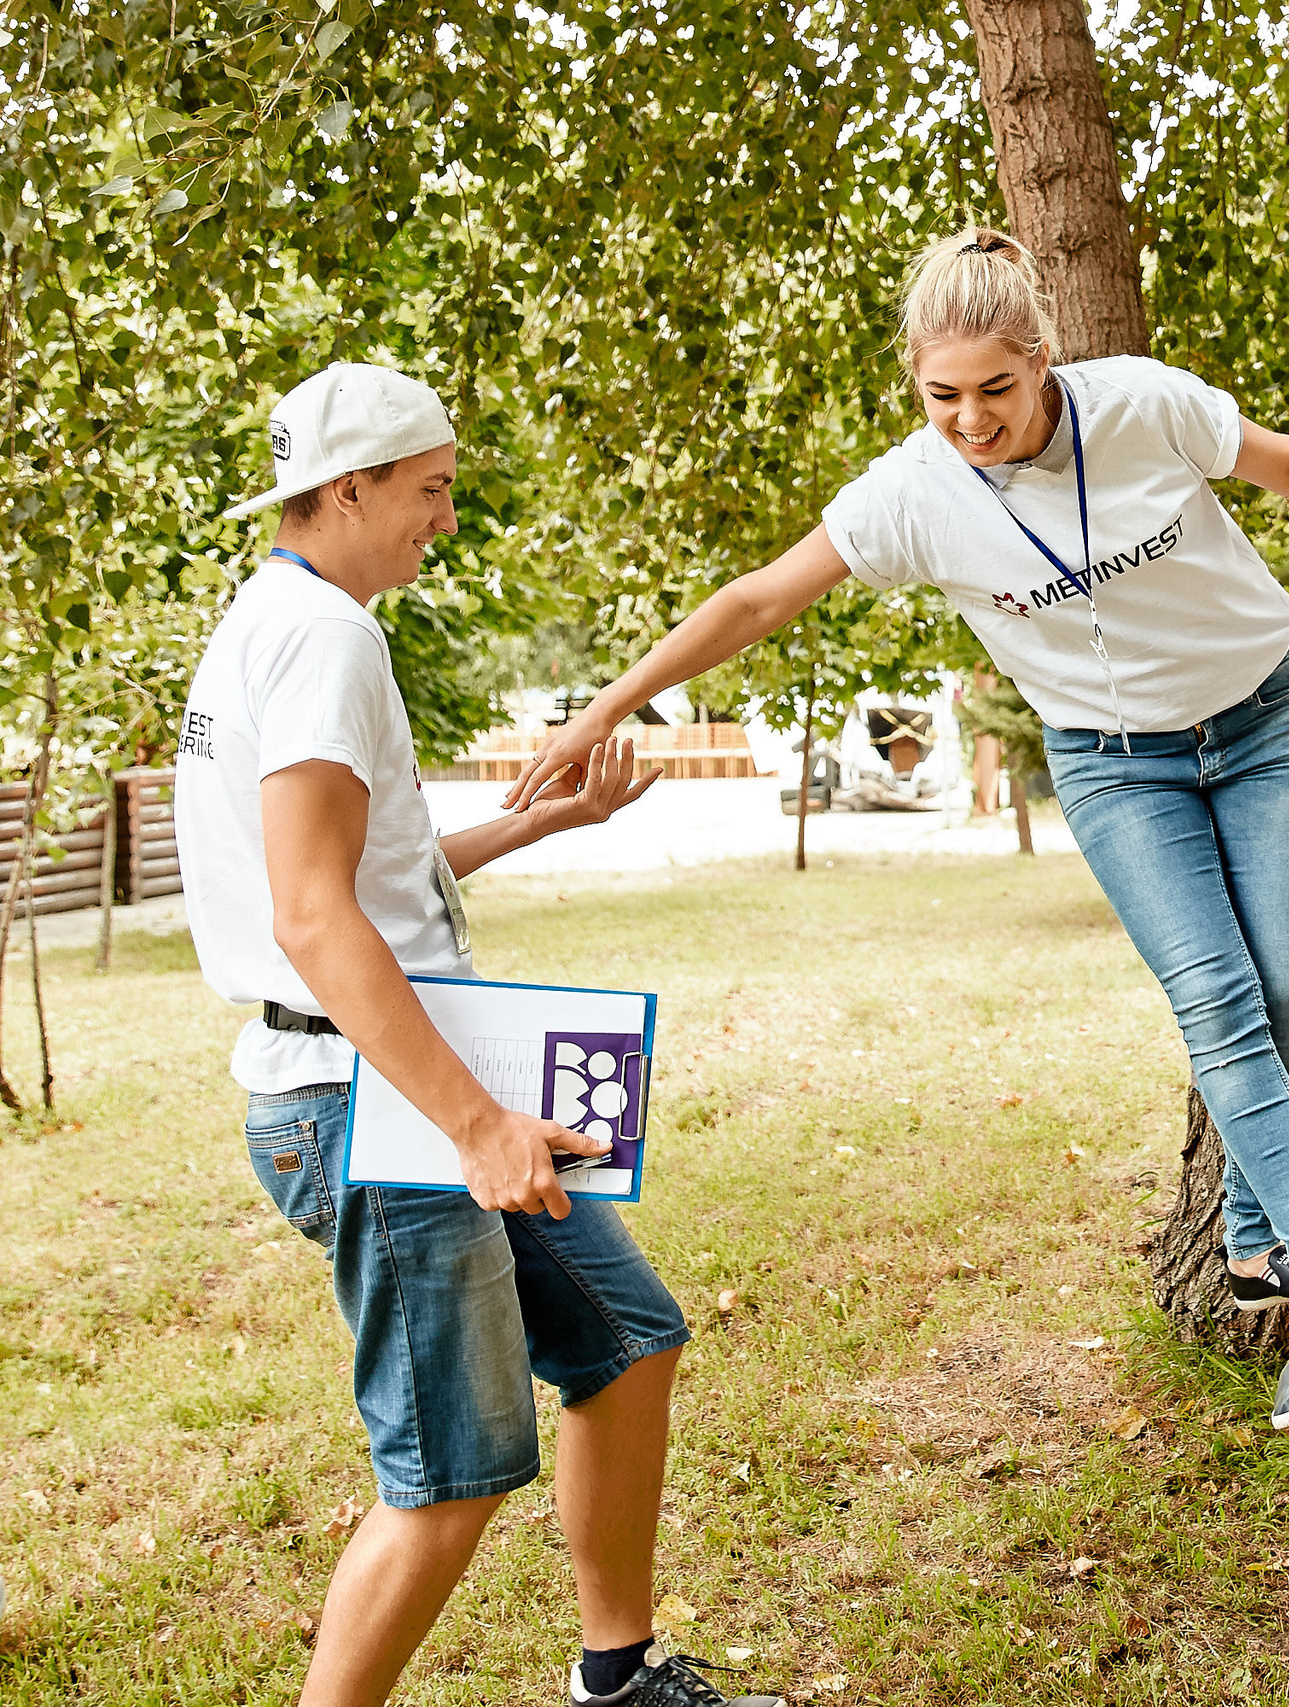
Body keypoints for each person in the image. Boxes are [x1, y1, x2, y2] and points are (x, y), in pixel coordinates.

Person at [508, 226, 1289, 1429]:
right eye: (942, 397)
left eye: (996, 388)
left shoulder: (1140, 405)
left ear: (1045, 357)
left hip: (1265, 716)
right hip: (1112, 762)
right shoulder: (911, 495)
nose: (972, 420)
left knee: (1281, 1003)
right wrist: (606, 709)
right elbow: (756, 598)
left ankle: (1257, 1245)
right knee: (1216, 999)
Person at [177, 362, 778, 1707]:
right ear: (351, 487)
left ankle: (617, 1678)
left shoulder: (272, 623)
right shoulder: (328, 638)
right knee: (451, 1474)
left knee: (627, 1339)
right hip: (368, 1102)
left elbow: (371, 873)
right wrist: (479, 1122)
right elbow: (314, 919)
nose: (441, 520)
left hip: (384, 1081)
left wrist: (542, 822)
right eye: (430, 491)